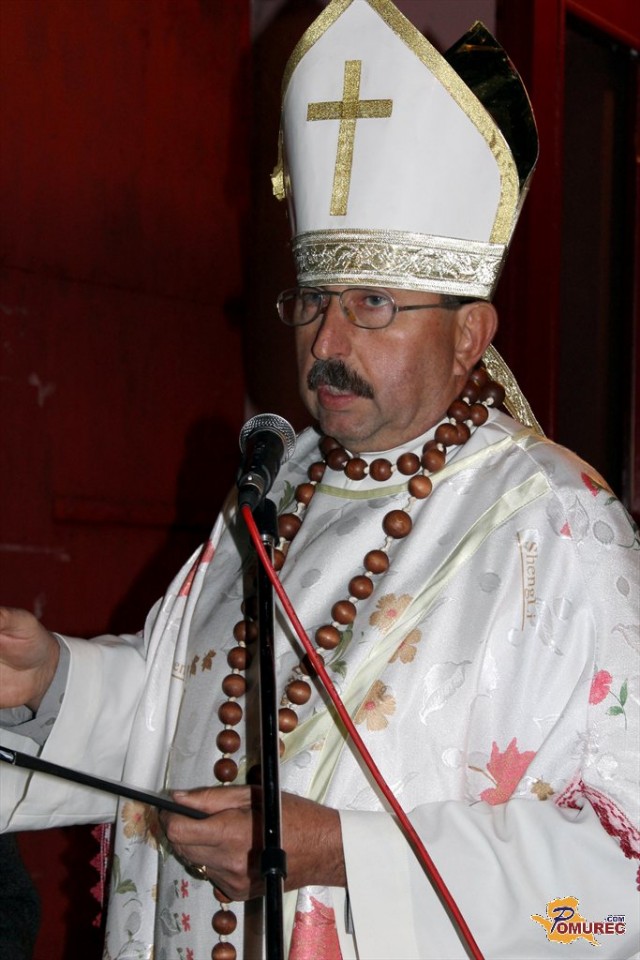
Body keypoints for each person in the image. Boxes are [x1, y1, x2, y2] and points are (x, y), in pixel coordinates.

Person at [1, 2, 638, 958]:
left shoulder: (558, 526)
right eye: (312, 300)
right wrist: (55, 680)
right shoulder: (281, 479)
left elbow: (616, 885)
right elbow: (189, 712)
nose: (326, 342)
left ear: (469, 334)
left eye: (373, 303)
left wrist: (346, 854)